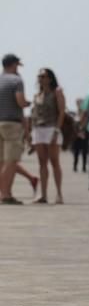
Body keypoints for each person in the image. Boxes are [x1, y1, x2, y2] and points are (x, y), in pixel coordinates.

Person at [31, 68, 65, 204]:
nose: (41, 78)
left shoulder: (57, 92)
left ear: (50, 78)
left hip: (52, 128)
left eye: (43, 76)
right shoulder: (37, 95)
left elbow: (62, 112)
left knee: (54, 161)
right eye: (39, 76)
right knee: (42, 162)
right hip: (38, 129)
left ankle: (59, 193)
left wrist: (56, 131)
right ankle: (43, 195)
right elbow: (34, 114)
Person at [0, 54, 31, 204]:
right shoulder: (16, 80)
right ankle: (5, 195)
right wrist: (27, 104)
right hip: (12, 124)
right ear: (13, 65)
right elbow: (20, 101)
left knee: (1, 161)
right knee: (11, 161)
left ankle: (6, 193)